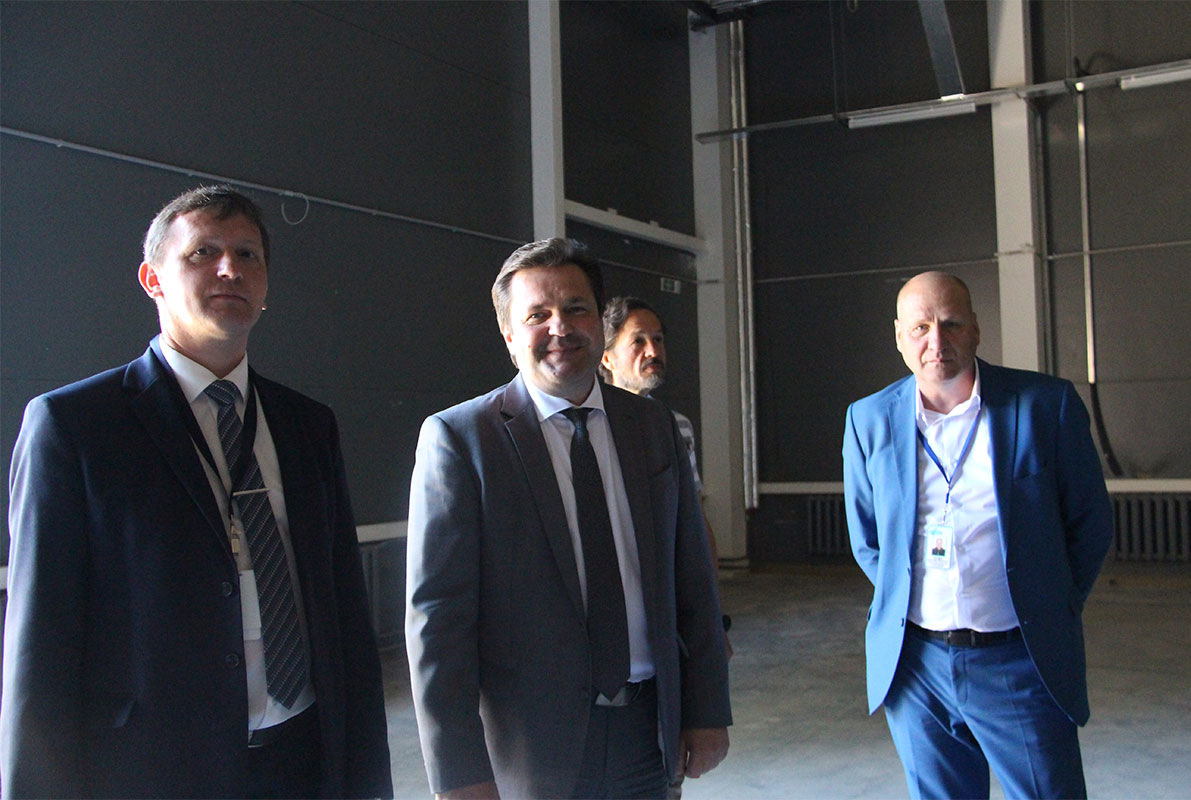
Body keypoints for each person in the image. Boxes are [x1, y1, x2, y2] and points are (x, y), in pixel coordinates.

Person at [1, 185, 393, 799]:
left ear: (266, 285)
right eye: (203, 252)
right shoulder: (75, 426)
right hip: (155, 768)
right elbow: (40, 640)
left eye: (247, 254)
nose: (229, 268)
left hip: (303, 757)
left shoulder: (307, 425)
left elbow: (345, 611)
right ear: (152, 279)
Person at [406, 238, 731, 799]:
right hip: (533, 751)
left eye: (576, 309)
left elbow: (692, 579)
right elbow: (438, 622)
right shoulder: (461, 440)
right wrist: (458, 772)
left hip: (649, 735)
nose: (560, 327)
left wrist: (706, 709)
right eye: (537, 315)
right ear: (510, 335)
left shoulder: (654, 428)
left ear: (599, 325)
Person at [842, 271, 1113, 799]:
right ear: (899, 336)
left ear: (976, 329)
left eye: (951, 324)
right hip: (916, 667)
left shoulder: (1044, 406)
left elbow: (1090, 523)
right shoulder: (868, 419)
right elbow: (868, 539)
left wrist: (1049, 601)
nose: (936, 342)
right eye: (920, 328)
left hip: (1018, 659)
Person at [599, 296, 732, 800]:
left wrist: (712, 620)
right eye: (638, 341)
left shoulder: (675, 427)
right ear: (607, 356)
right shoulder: (586, 428)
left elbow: (693, 525)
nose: (653, 351)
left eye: (658, 340)